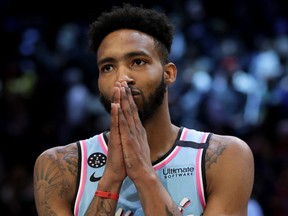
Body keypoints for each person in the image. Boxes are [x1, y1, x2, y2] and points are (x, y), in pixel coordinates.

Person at [33, 4, 255, 216]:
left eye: (138, 62)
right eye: (108, 67)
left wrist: (143, 173)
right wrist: (111, 178)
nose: (122, 78)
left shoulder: (226, 157)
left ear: (169, 74)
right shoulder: (58, 166)